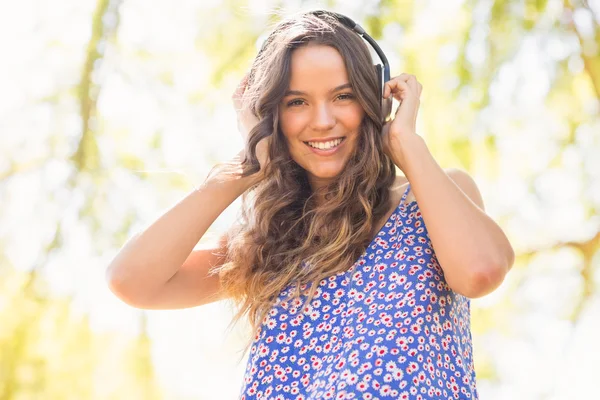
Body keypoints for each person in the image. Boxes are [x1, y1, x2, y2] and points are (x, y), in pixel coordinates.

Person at [106, 10, 515, 399]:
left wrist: (407, 144)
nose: (321, 120)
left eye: (343, 96)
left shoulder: (431, 199)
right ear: (271, 117)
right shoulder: (264, 245)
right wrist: (248, 164)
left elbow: (481, 272)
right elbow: (131, 280)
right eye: (296, 102)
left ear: (376, 100)